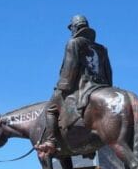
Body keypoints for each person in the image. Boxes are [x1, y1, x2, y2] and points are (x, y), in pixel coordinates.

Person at [42, 14, 113, 152]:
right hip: (102, 86)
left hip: (84, 87)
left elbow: (70, 69)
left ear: (74, 28)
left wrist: (61, 86)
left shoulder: (74, 43)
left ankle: (50, 141)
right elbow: (108, 72)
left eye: (72, 29)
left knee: (50, 108)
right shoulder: (102, 48)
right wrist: (108, 88)